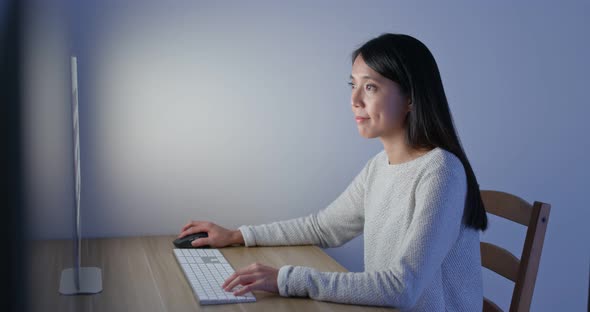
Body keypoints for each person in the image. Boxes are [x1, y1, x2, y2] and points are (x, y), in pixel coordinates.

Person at [177, 33, 487, 311]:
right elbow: (323, 227)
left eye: (370, 87)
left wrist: (287, 279)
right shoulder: (379, 167)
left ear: (410, 98)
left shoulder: (441, 172)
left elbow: (402, 287)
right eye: (354, 85)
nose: (354, 100)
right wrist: (237, 235)